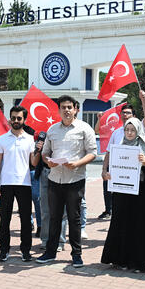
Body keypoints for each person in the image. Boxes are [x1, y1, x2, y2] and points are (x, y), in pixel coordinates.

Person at [36, 95, 97, 268]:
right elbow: (45, 153)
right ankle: (50, 252)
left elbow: (93, 153)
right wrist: (48, 161)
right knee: (54, 217)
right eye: (63, 107)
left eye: (70, 107)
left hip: (75, 179)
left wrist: (77, 164)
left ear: (76, 109)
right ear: (59, 110)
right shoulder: (52, 129)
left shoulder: (85, 129)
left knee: (74, 218)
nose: (67, 110)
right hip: (55, 179)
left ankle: (76, 254)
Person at [101, 118, 145, 272]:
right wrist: (109, 175)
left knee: (139, 226)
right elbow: (113, 168)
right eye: (127, 130)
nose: (130, 133)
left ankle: (139, 262)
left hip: (141, 195)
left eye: (133, 130)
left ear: (138, 131)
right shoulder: (118, 148)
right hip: (122, 193)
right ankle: (120, 259)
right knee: (121, 224)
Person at [0, 106, 42, 262]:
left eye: (19, 118)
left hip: (24, 184)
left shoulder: (29, 139)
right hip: (6, 184)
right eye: (13, 118)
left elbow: (33, 162)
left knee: (26, 219)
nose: (15, 121)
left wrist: (38, 151)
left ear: (24, 120)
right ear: (9, 119)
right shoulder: (1, 139)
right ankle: (4, 250)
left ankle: (25, 250)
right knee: (4, 219)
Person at [98, 90, 145, 222]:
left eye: (128, 113)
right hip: (118, 179)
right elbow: (109, 153)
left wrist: (143, 100)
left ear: (134, 116)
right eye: (123, 112)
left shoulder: (139, 128)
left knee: (134, 215)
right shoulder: (116, 133)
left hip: (136, 179)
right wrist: (104, 170)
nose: (125, 115)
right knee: (119, 213)